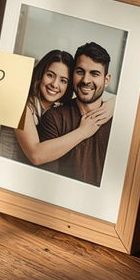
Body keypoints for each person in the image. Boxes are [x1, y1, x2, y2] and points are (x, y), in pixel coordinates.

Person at [14, 49, 112, 166]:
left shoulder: (58, 108)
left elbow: (97, 93)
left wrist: (114, 104)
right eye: (50, 75)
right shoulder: (20, 106)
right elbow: (36, 155)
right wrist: (83, 131)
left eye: (63, 80)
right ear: (40, 75)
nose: (55, 84)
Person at [38, 42, 114, 186]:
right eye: (80, 72)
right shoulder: (54, 118)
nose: (86, 80)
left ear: (106, 80)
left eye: (95, 74)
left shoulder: (117, 120)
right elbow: (47, 181)